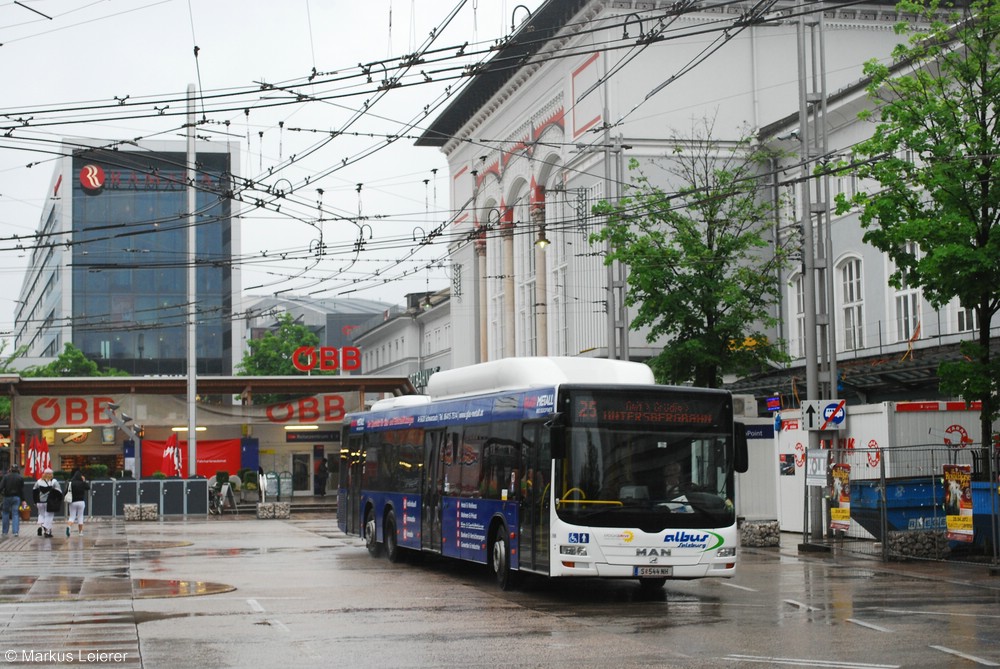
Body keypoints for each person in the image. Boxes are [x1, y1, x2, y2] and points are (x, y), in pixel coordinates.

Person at [32, 468, 63, 538]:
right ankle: (47, 531)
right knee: (49, 516)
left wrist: (35, 502)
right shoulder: (54, 482)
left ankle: (42, 527)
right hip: (49, 502)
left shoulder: (39, 481)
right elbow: (59, 492)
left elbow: (34, 492)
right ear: (51, 474)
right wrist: (58, 500)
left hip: (39, 503)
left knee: (42, 515)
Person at [1, 464, 26, 537]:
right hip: (16, 497)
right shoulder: (20, 478)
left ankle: (5, 531)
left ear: (10, 469)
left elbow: (1, 487)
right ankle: (15, 532)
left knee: (5, 513)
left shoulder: (6, 477)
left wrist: (2, 494)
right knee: (15, 514)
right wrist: (23, 500)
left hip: (7, 497)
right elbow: (21, 490)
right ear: (18, 469)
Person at [65, 470, 90, 536]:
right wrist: (84, 481)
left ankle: (69, 527)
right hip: (81, 502)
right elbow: (88, 487)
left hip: (72, 502)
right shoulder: (82, 483)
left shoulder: (71, 483)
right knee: (80, 516)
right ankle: (80, 532)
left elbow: (65, 492)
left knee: (72, 516)